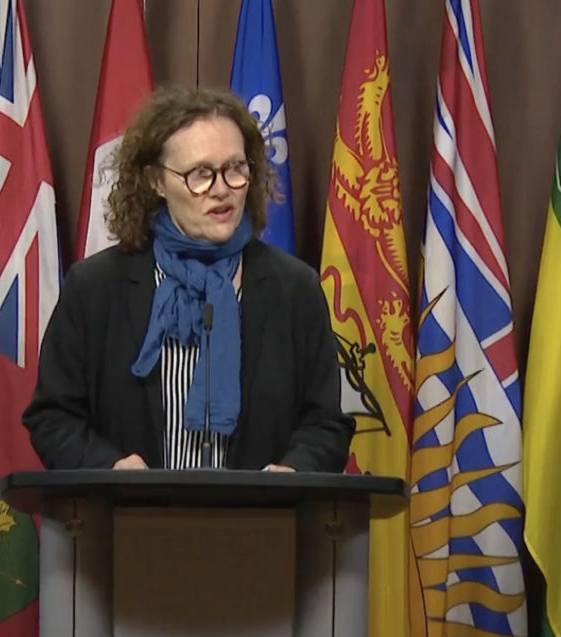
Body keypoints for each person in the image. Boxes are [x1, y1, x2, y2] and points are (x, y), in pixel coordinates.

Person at [22, 86, 352, 472]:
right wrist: (110, 468)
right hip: (131, 521)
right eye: (200, 174)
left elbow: (327, 424)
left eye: (235, 169)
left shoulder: (294, 289)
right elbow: (52, 418)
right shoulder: (95, 289)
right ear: (156, 181)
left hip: (260, 524)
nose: (222, 190)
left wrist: (293, 472)